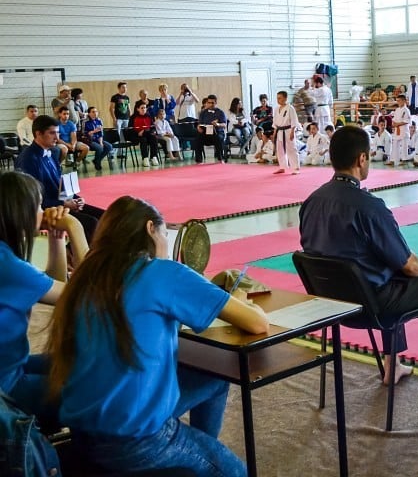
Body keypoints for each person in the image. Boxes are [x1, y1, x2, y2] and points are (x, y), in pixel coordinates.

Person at [45, 196, 268, 475]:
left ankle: (199, 453)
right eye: (164, 233)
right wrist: (238, 297)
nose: (165, 240)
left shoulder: (86, 276)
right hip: (135, 440)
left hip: (82, 430)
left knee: (213, 378)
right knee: (235, 472)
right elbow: (257, 323)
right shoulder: (163, 273)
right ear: (151, 229)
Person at [299, 126, 418, 397]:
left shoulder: (311, 202)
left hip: (331, 305)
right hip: (373, 305)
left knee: (380, 272)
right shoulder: (368, 206)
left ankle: (393, 364)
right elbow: (410, 266)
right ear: (362, 159)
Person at [0, 171, 88, 426]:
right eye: (39, 205)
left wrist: (56, 238)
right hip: (8, 386)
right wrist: (75, 228)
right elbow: (87, 296)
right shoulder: (8, 267)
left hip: (12, 366)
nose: (45, 211)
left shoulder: (6, 258)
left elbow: (52, 284)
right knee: (98, 393)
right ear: (21, 212)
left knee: (74, 362)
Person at [16, 115, 104, 240]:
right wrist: (64, 203)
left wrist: (77, 199)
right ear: (38, 134)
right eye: (52, 133)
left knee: (104, 216)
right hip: (44, 209)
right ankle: (81, 255)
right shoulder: (27, 160)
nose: (57, 138)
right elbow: (32, 199)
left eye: (57, 133)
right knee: (90, 223)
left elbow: (59, 185)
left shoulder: (51, 153)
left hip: (61, 202)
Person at [272, 90, 301, 175]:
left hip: (288, 130)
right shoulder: (276, 109)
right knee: (280, 149)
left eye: (280, 98)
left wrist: (292, 131)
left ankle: (296, 167)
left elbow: (294, 120)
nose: (278, 100)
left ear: (285, 98)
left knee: (291, 148)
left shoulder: (290, 108)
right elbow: (275, 122)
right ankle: (282, 167)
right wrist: (274, 132)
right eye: (277, 98)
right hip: (279, 131)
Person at [195, 97, 228, 163]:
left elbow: (224, 125)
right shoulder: (203, 113)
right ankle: (199, 161)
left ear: (216, 103)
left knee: (218, 138)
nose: (211, 104)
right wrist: (199, 127)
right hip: (205, 133)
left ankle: (220, 159)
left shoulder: (220, 112)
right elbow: (199, 123)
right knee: (198, 138)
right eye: (209, 102)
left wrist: (217, 124)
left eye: (212, 103)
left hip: (217, 132)